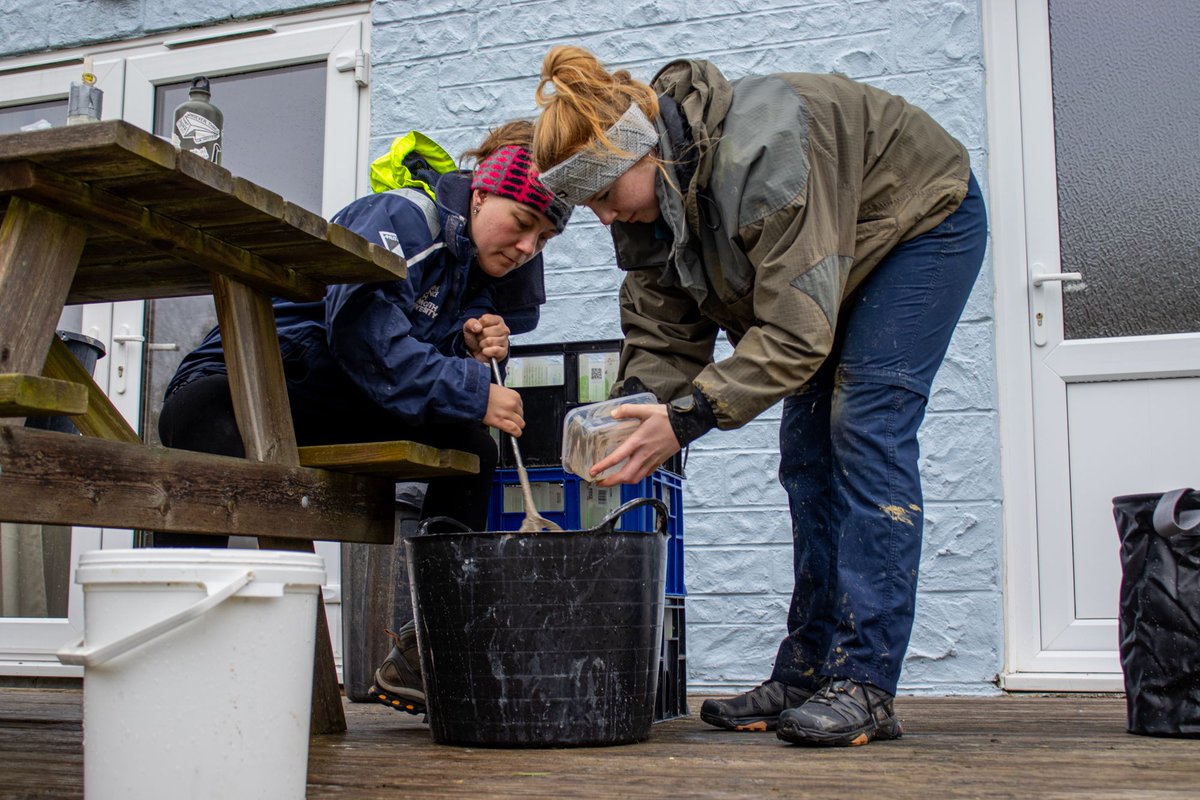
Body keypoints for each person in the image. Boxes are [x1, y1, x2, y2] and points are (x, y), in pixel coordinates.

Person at [531, 46, 987, 747]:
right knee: (807, 457)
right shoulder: (648, 213)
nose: (601, 219)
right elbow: (663, 331)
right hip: (830, 264)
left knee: (863, 427)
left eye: (601, 195)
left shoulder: (765, 158)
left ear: (639, 155)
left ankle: (865, 681)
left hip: (915, 226)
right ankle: (807, 671)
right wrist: (637, 408)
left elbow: (798, 333)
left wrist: (686, 420)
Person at [157, 121, 572, 716]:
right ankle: (170, 649)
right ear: (481, 194)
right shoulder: (402, 219)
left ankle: (429, 646)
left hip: (334, 403)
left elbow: (404, 364)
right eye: (523, 223)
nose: (529, 247)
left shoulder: (473, 271)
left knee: (468, 444)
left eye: (545, 238)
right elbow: (363, 344)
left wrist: (466, 345)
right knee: (208, 426)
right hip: (249, 383)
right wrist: (470, 386)